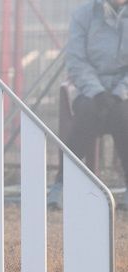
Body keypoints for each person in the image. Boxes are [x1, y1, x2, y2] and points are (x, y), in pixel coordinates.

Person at [48, 0, 128, 210]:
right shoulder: (84, 15)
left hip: (124, 90)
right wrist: (97, 91)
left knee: (123, 116)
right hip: (88, 88)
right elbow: (76, 60)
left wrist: (120, 92)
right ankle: (62, 183)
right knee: (87, 114)